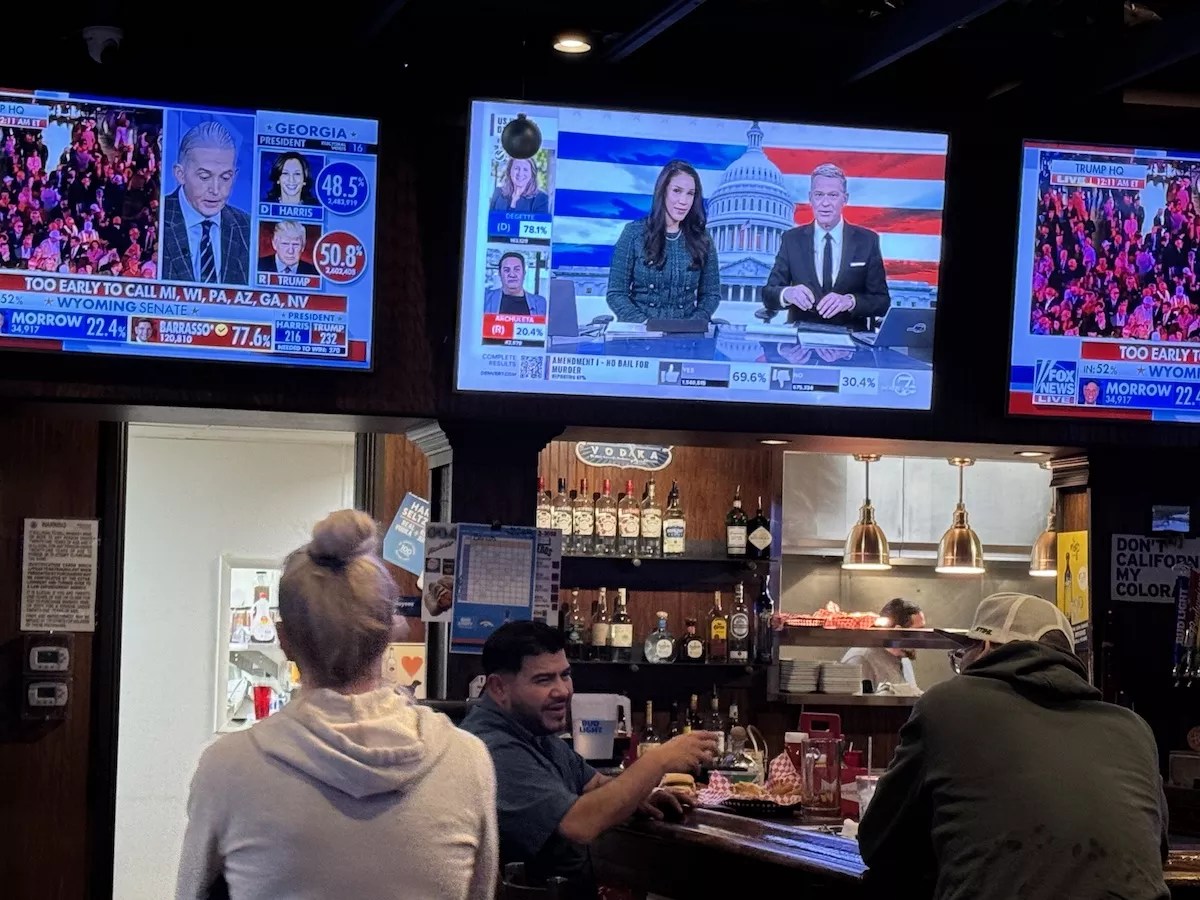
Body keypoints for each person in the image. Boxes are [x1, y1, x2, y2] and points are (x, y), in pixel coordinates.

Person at [175, 510, 497, 900]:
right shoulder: (467, 760)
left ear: (283, 638)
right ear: (389, 635)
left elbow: (192, 891)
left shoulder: (226, 768)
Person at [859, 592, 1169, 900]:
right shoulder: (1134, 729)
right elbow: (1155, 850)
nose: (962, 663)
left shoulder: (947, 706)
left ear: (986, 648)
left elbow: (879, 843)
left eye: (964, 650)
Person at [461, 620, 718, 899]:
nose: (563, 691)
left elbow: (594, 785)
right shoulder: (490, 746)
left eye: (565, 675)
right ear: (498, 688)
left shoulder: (531, 729)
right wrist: (658, 761)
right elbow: (578, 824)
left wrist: (640, 795)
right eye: (543, 680)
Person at [761, 162, 891, 330]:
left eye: (833, 195)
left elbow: (881, 301)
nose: (825, 203)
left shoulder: (867, 240)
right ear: (810, 198)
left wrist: (850, 301)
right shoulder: (792, 239)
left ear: (845, 199)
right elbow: (768, 294)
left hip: (850, 339)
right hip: (801, 340)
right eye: (819, 194)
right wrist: (788, 294)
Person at [605, 159, 721, 323]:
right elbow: (616, 293)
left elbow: (711, 294)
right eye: (677, 191)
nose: (684, 201)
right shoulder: (633, 233)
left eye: (690, 193)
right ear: (663, 191)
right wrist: (646, 324)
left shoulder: (702, 237)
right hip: (642, 333)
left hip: (687, 336)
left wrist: (694, 323)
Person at [162, 121, 251, 286]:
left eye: (225, 177)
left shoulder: (247, 227)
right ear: (180, 174)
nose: (216, 190)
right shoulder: (157, 217)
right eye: (204, 177)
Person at [841, 597, 924, 690]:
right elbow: (852, 702)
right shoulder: (861, 659)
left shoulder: (904, 659)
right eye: (918, 632)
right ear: (898, 632)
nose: (922, 638)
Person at [483, 251, 547, 316]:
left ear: (524, 273)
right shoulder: (485, 299)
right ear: (499, 274)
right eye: (506, 270)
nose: (512, 275)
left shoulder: (539, 303)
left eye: (517, 269)